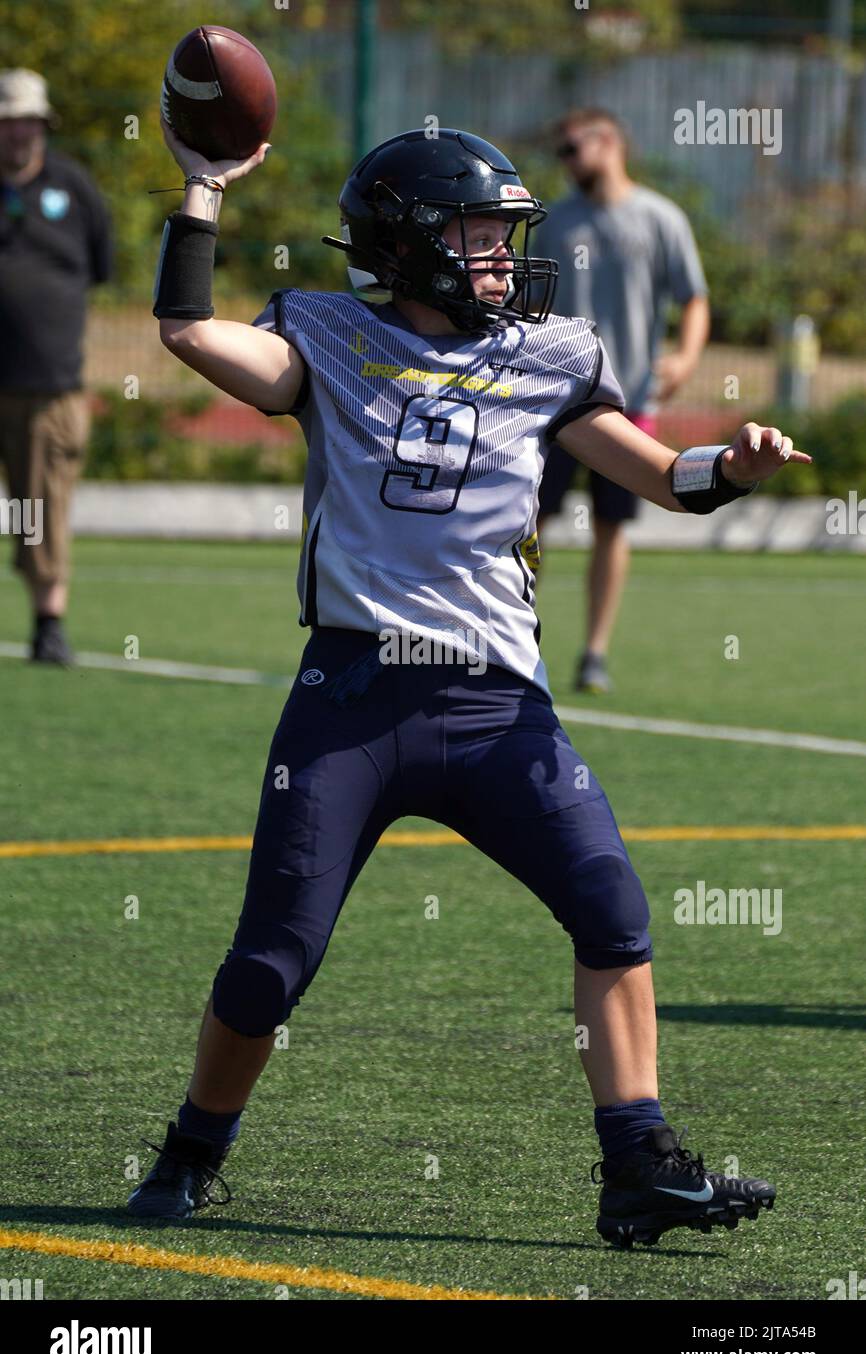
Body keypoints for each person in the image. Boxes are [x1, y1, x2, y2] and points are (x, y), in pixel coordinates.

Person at [127, 120, 807, 1249]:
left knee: (612, 912)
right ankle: (193, 1151)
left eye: (503, 236)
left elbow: (667, 476)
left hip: (495, 706)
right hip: (352, 697)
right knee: (268, 964)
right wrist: (201, 191)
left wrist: (731, 467)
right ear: (405, 245)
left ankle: (636, 1163)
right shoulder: (327, 336)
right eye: (478, 236)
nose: (501, 257)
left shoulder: (550, 355)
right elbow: (188, 329)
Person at [532, 108, 710, 694]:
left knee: (612, 525)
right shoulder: (554, 222)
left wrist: (684, 358)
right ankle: (516, 639)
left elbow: (694, 298)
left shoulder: (661, 218)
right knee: (528, 520)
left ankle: (594, 653)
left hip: (627, 402)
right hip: (553, 400)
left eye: (571, 148)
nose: (565, 160)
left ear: (608, 142)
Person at [0, 69, 112, 665]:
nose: (18, 131)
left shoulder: (73, 187)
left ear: (43, 125)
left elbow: (102, 264)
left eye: (27, 120)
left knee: (38, 511)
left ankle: (49, 623)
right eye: (8, 120)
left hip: (48, 386)